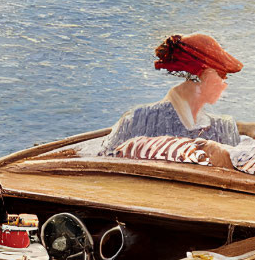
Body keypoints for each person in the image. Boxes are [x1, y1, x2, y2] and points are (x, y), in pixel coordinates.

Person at [101, 33, 243, 166]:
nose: (224, 84)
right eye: (221, 76)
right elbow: (108, 167)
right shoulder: (139, 120)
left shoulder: (224, 127)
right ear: (199, 76)